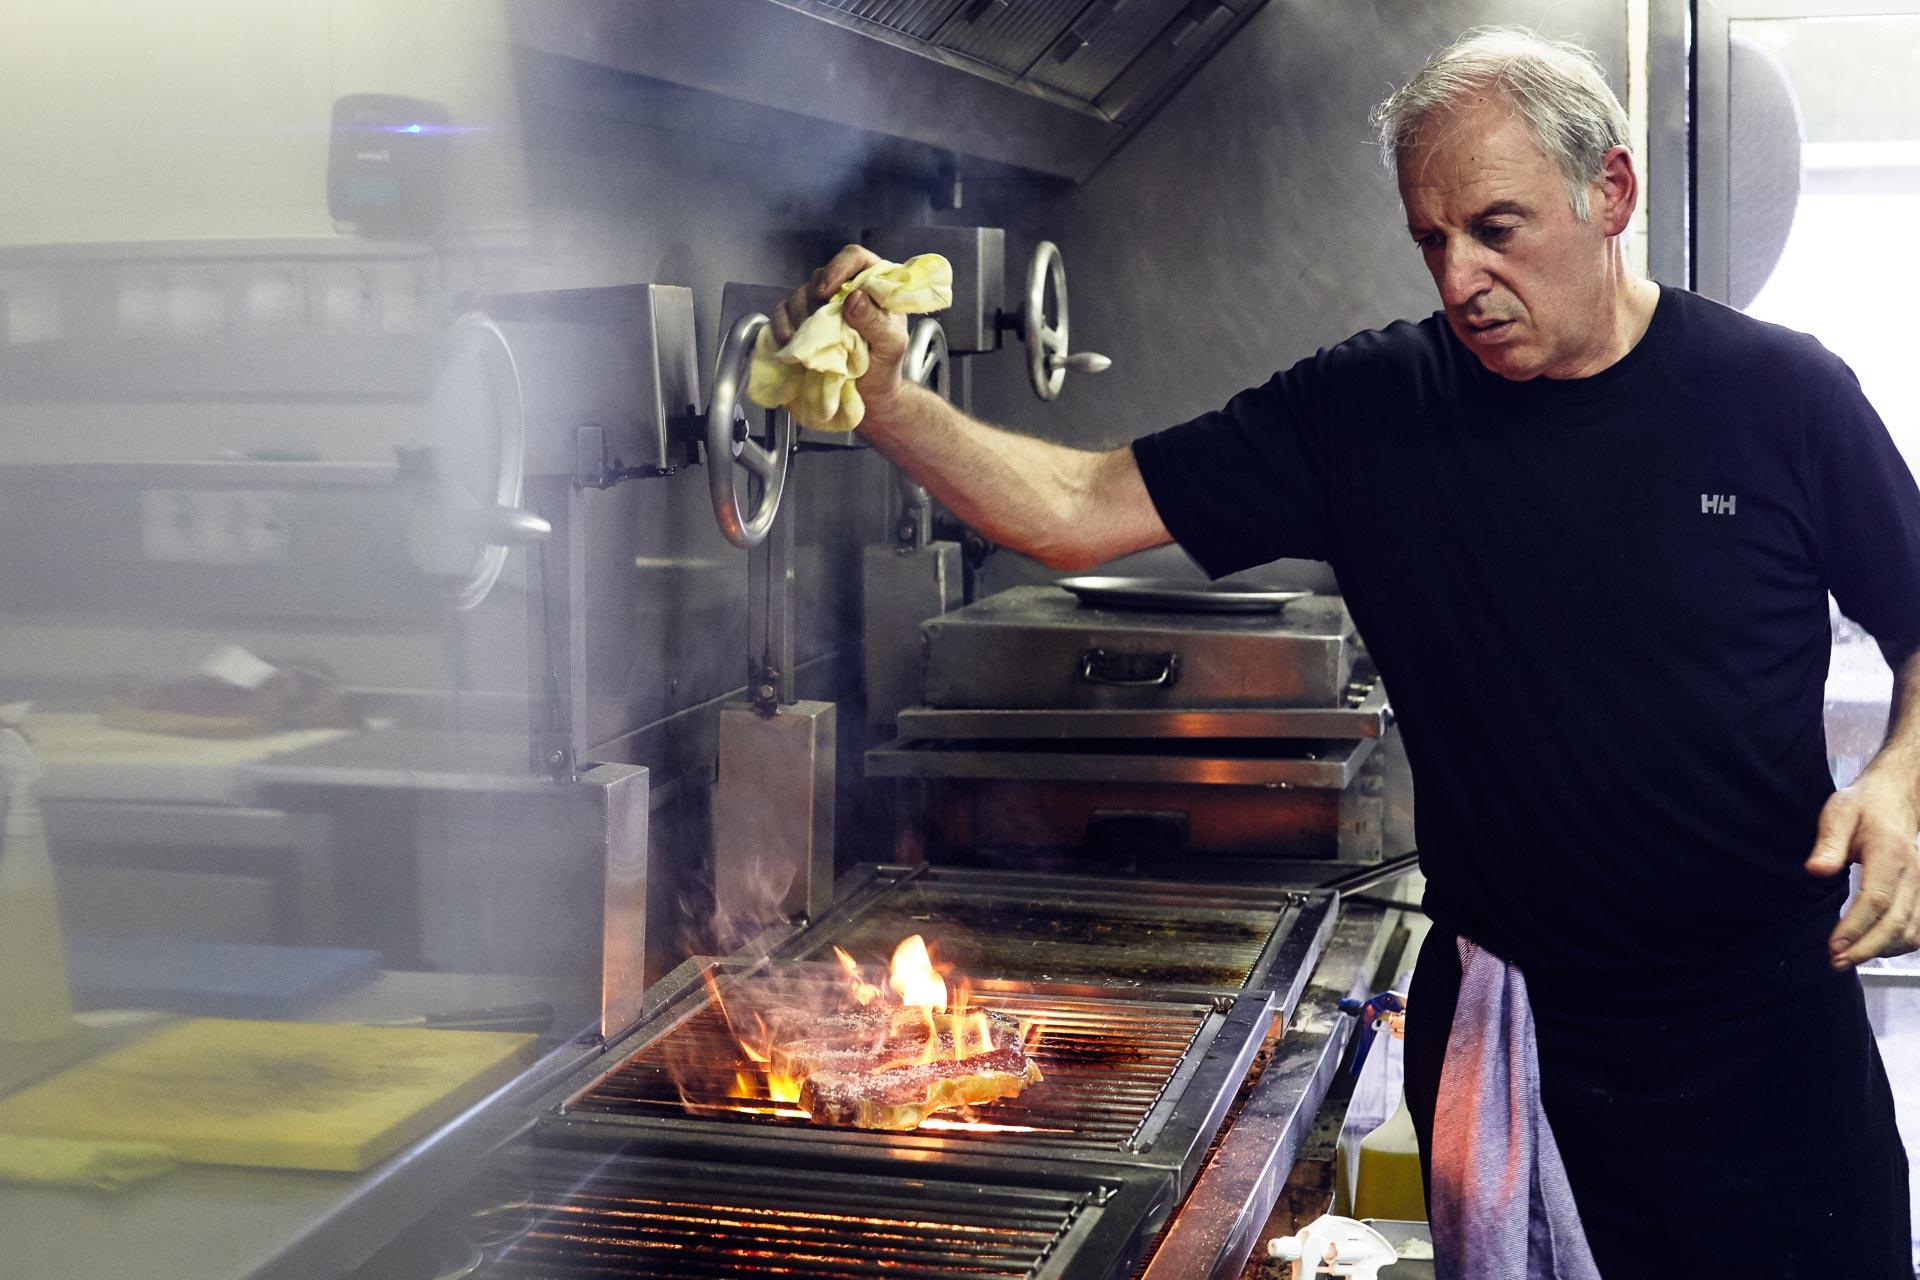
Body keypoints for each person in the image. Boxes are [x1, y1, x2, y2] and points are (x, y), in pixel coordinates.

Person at [775, 26, 1919, 1277]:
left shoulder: (1782, 398)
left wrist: (1901, 783)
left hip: (1763, 1035)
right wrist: (888, 403)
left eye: (1497, 227)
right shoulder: (1372, 409)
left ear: (1614, 194)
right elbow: (1077, 506)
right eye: (1432, 240)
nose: (1462, 277)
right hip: (1522, 1025)